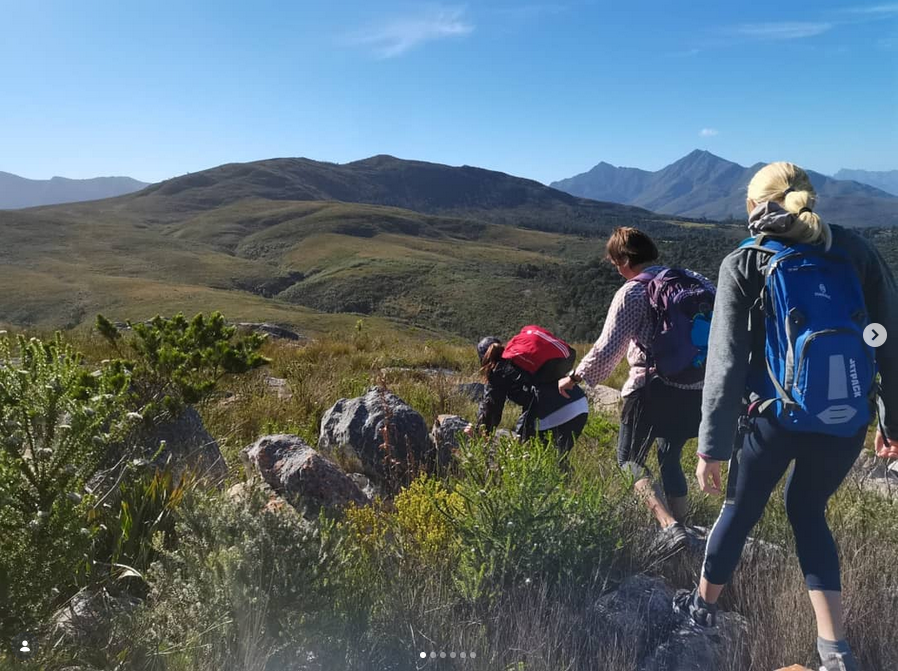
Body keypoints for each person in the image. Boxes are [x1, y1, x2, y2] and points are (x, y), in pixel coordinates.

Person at [674, 162, 898, 671]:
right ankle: (835, 650)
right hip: (846, 420)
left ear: (754, 206)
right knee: (807, 510)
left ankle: (702, 612)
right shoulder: (854, 250)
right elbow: (887, 339)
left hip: (773, 419)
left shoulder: (746, 261)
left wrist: (711, 445)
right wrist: (891, 421)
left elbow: (726, 361)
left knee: (740, 508)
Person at [557, 227, 716, 554]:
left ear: (627, 259)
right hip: (698, 388)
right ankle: (683, 529)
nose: (616, 269)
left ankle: (669, 527)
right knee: (669, 455)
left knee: (629, 459)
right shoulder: (696, 280)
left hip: (652, 389)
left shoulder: (633, 292)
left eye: (616, 262)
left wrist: (574, 378)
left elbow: (608, 348)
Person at [465, 335, 589, 461]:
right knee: (556, 461)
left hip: (553, 411)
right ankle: (571, 479)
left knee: (530, 459)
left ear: (483, 360)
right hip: (579, 404)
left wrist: (478, 431)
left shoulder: (497, 370)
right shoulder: (522, 360)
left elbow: (491, 408)